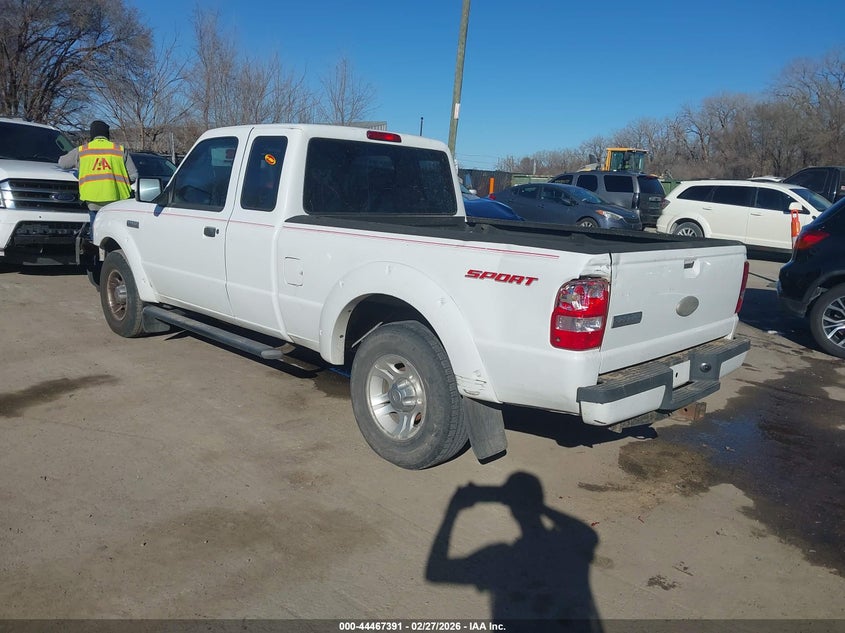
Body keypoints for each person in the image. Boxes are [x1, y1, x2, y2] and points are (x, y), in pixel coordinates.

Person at [59, 120, 137, 239]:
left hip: (93, 200)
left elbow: (62, 163)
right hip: (117, 201)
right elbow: (134, 175)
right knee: (116, 235)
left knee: (96, 233)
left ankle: (96, 254)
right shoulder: (119, 150)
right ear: (107, 134)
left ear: (92, 134)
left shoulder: (82, 151)